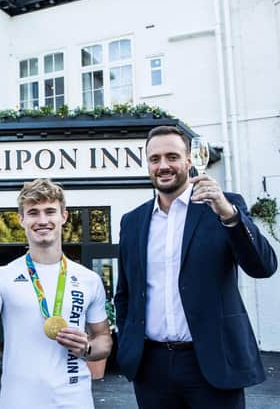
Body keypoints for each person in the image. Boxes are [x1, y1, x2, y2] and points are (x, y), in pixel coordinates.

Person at [115, 125, 278, 408]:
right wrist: (131, 345)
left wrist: (228, 215)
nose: (163, 165)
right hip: (151, 368)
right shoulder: (133, 221)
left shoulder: (223, 207)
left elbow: (263, 266)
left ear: (189, 160)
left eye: (172, 156)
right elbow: (125, 293)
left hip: (212, 363)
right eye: (155, 159)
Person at [0, 178, 112, 409]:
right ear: (21, 219)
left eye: (50, 211)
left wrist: (87, 348)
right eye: (33, 213)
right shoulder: (1, 276)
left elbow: (104, 339)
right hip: (18, 401)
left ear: (64, 217)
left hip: (74, 401)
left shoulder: (88, 279)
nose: (42, 220)